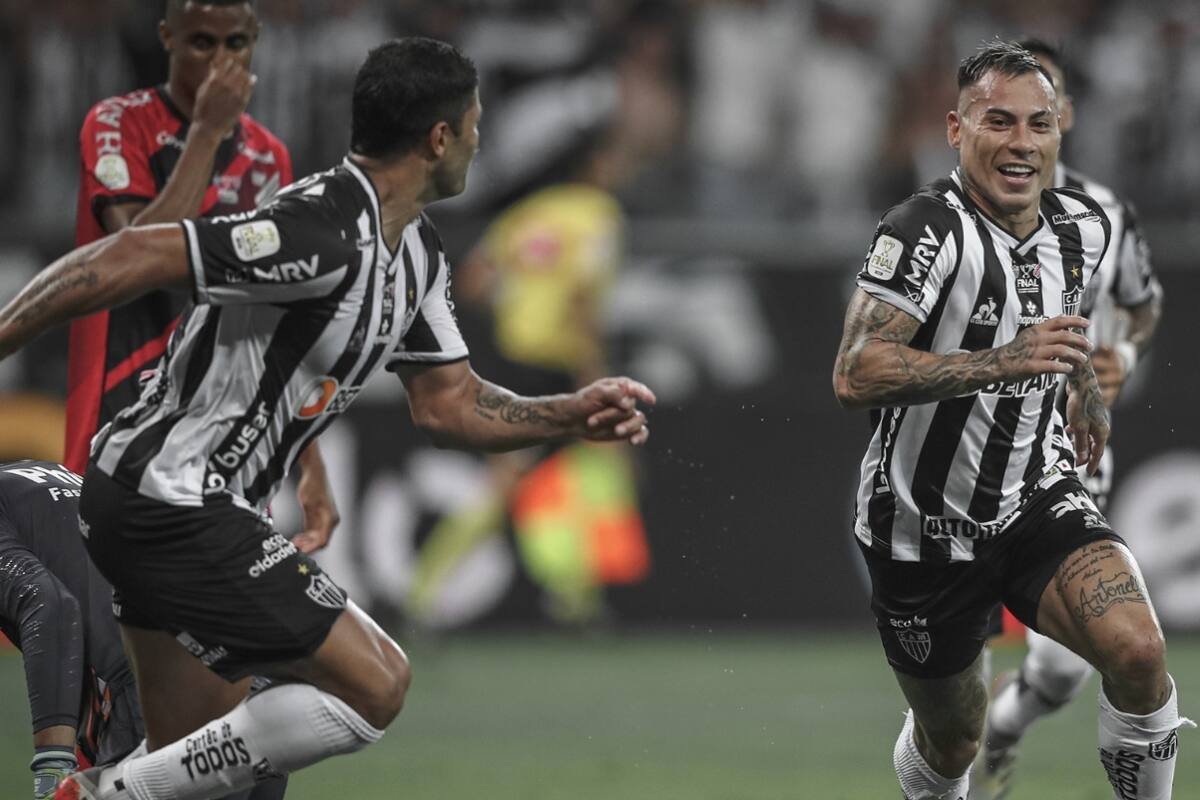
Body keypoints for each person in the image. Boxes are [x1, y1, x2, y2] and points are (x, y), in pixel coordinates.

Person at [0, 36, 653, 800]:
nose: (482, 141)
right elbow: (127, 256)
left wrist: (566, 416)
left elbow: (449, 405)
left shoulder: (416, 251)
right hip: (169, 497)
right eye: (475, 125)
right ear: (439, 137)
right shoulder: (317, 230)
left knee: (186, 764)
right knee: (376, 684)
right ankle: (106, 793)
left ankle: (115, 786)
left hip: (171, 503)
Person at [832, 41, 1186, 800]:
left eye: (1038, 124)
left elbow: (1062, 319)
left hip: (1035, 498)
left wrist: (1083, 386)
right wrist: (1002, 360)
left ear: (1060, 131)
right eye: (999, 121)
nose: (1021, 142)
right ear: (957, 130)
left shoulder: (1082, 226)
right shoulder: (924, 229)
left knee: (1138, 652)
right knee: (954, 741)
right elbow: (855, 372)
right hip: (922, 528)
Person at [65, 0, 337, 555]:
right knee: (102, 601)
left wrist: (310, 461)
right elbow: (138, 255)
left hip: (222, 438)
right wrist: (208, 133)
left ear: (255, 40)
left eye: (236, 43)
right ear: (167, 37)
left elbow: (269, 323)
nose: (220, 61)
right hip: (119, 415)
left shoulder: (268, 157)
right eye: (201, 42)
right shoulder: (116, 123)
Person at [970, 38, 1166, 800]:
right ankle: (956, 744)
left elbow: (1143, 303)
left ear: (1066, 115)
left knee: (1062, 667)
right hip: (973, 460)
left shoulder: (1105, 215)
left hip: (1068, 459)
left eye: (1042, 107)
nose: (1025, 128)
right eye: (1006, 112)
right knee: (951, 671)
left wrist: (1125, 352)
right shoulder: (951, 216)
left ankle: (1005, 719)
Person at [0, 460, 140, 800]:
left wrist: (53, 767)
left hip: (146, 695)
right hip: (232, 681)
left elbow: (50, 606)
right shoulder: (50, 474)